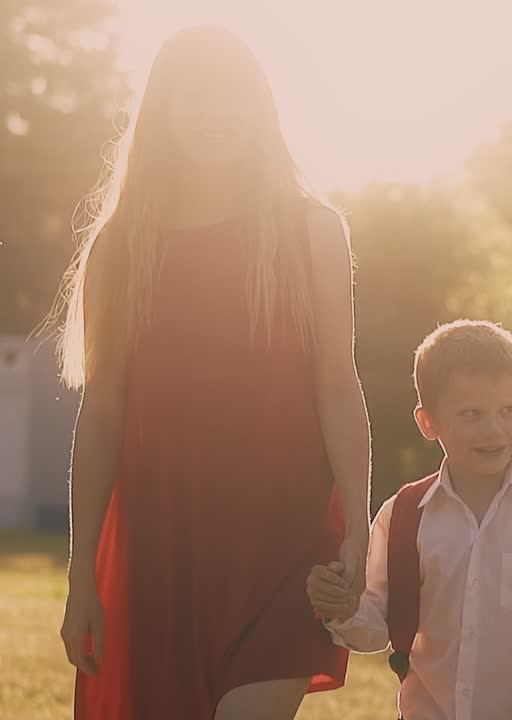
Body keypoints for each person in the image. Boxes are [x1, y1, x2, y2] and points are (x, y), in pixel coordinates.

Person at [51, 25, 371, 720]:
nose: (214, 113)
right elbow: (101, 411)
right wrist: (83, 580)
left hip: (287, 547)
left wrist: (359, 526)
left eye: (231, 96)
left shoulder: (313, 230)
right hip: (163, 550)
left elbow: (338, 387)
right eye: (193, 97)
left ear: (260, 107)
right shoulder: (122, 249)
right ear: (160, 111)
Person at [307, 320, 512, 720]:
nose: (493, 429)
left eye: (507, 410)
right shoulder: (403, 516)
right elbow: (376, 626)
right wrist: (343, 607)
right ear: (428, 423)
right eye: (471, 414)